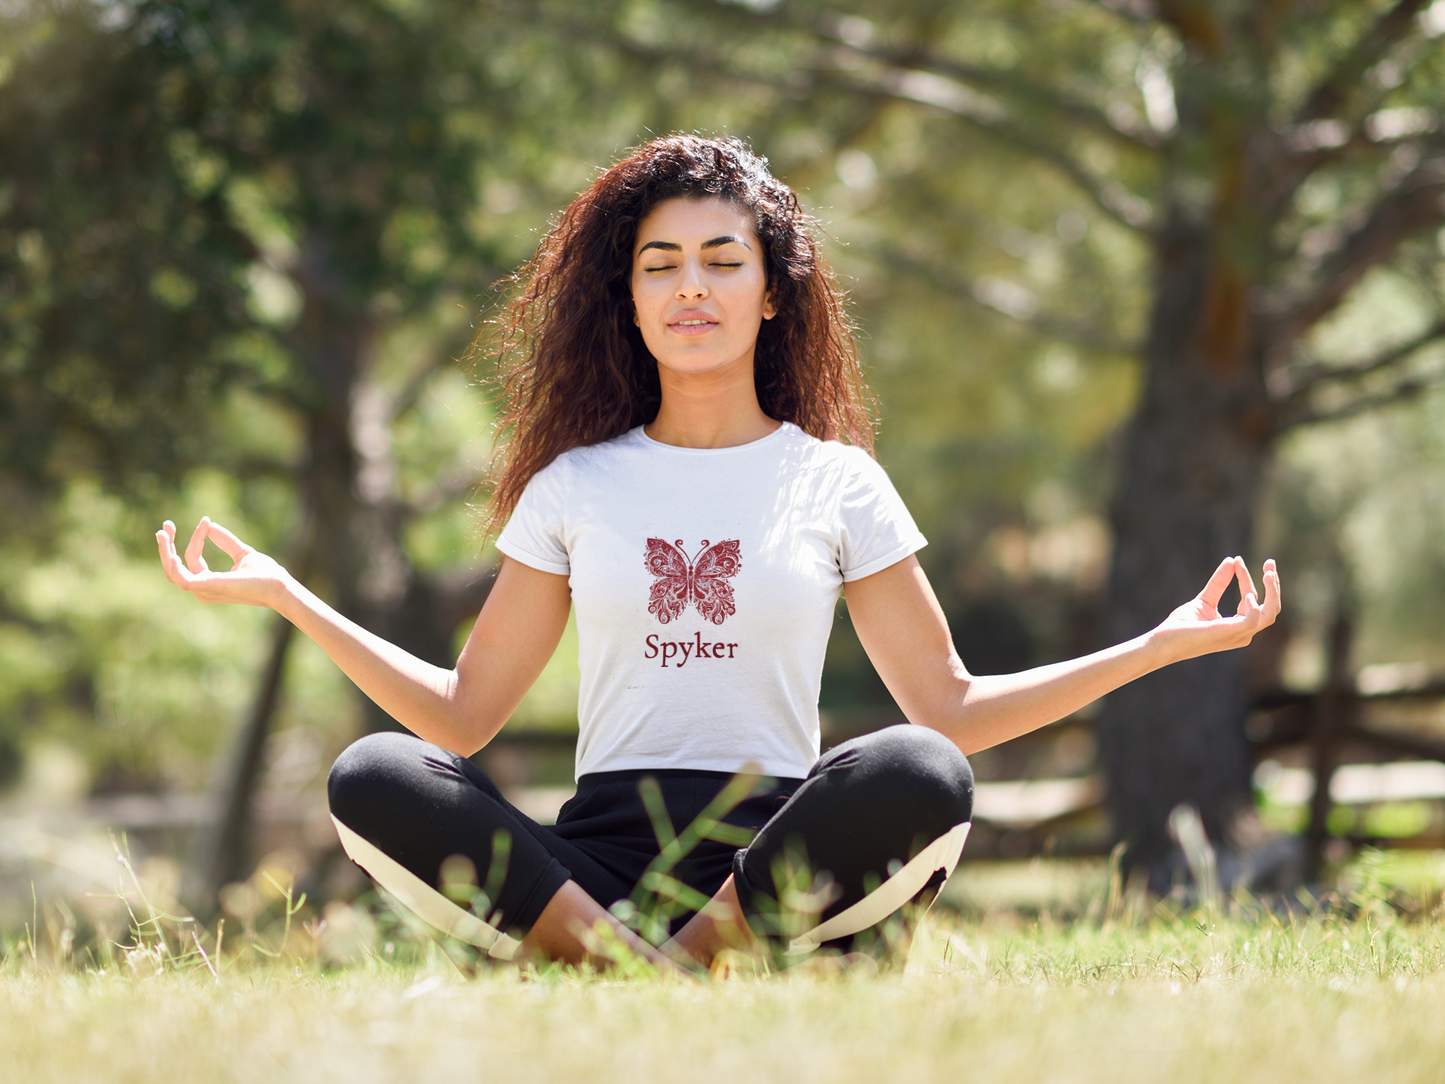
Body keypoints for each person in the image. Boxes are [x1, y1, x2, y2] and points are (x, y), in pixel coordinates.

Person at [156, 135, 1281, 973]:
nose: (689, 286)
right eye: (659, 264)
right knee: (376, 772)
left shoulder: (838, 481)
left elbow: (950, 707)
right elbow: (459, 720)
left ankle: (687, 956)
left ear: (771, 290)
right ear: (628, 298)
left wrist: (1159, 645)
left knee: (921, 771)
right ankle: (633, 959)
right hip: (590, 867)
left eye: (719, 260)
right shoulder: (573, 486)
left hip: (778, 860)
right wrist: (286, 593)